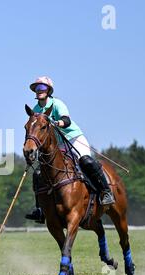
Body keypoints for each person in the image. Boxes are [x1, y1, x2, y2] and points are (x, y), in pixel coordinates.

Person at [25, 76, 115, 224]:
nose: (38, 90)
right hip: (57, 145)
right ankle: (40, 209)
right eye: (36, 88)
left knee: (86, 161)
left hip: (73, 138)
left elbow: (66, 120)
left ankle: (105, 192)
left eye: (41, 88)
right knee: (39, 172)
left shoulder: (57, 103)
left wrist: (57, 122)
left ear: (48, 90)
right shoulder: (35, 110)